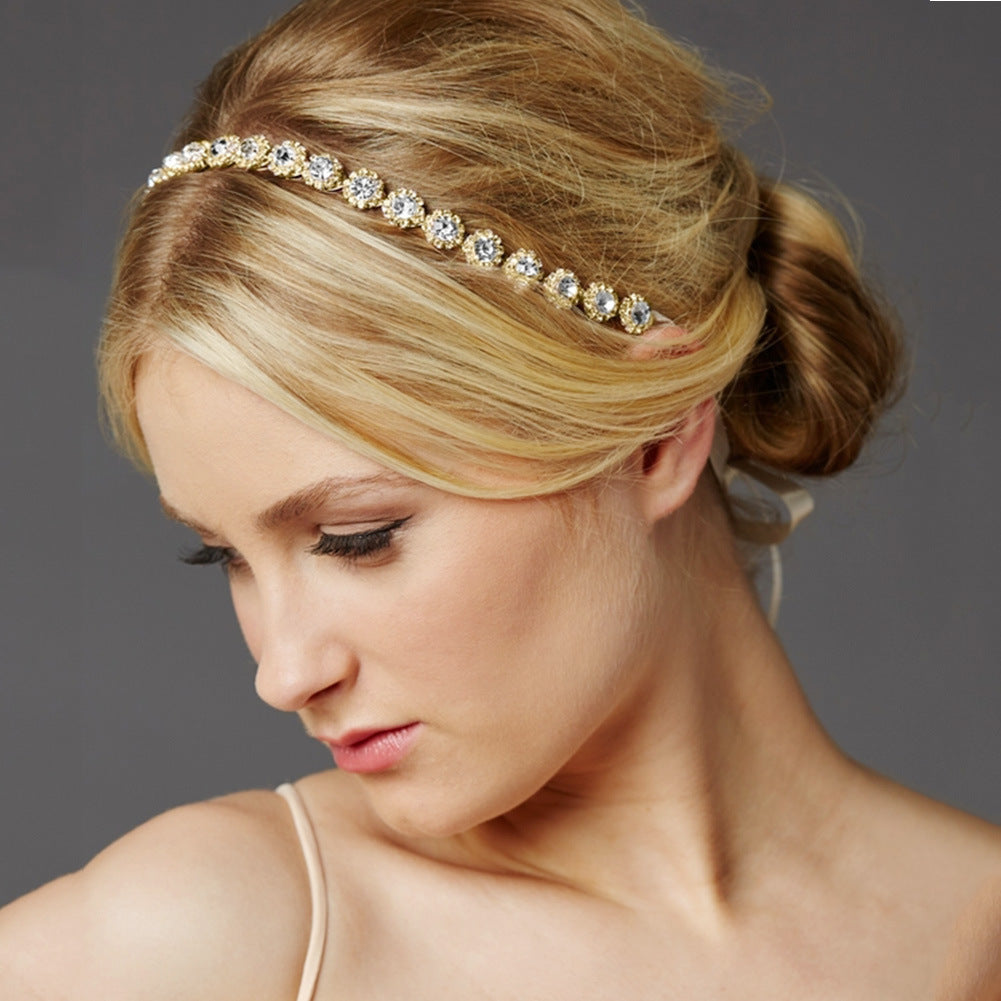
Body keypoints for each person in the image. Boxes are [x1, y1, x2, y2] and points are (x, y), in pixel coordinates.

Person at [2, 0, 999, 996]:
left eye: (356, 535)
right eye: (224, 554)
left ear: (653, 436)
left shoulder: (972, 935)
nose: (284, 671)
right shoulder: (224, 934)